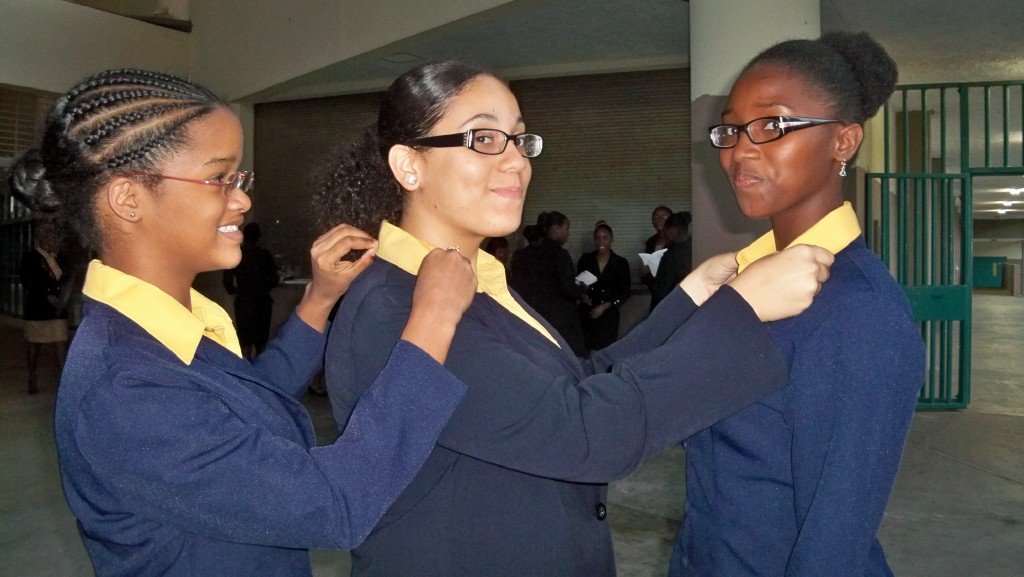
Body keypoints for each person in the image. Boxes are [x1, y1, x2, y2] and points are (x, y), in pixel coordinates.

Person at [313, 59, 833, 577]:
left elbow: (578, 382)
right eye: (485, 139)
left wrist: (696, 298)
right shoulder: (396, 307)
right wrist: (741, 316)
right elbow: (585, 431)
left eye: (519, 139)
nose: (516, 161)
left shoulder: (477, 281)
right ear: (410, 165)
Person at [8, 68, 477, 577]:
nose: (242, 199)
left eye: (239, 178)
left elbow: (248, 403)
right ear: (128, 200)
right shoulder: (123, 385)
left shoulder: (165, 325)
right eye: (218, 178)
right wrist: (433, 318)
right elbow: (335, 502)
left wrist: (318, 300)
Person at [668, 32, 926, 577]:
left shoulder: (859, 312)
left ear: (844, 142)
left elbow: (833, 543)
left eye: (772, 125)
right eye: (733, 129)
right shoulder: (743, 281)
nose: (740, 149)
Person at [18, 216, 68, 394]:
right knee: (35, 344)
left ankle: (64, 380)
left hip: (57, 311)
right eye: (49, 238)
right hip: (38, 309)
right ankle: (32, 376)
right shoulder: (31, 257)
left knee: (61, 343)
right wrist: (47, 294)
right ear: (41, 238)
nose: (52, 241)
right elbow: (28, 281)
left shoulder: (59, 258)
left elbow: (65, 279)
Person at [222, 222, 279, 359]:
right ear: (258, 236)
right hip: (261, 301)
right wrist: (263, 288)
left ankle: (247, 367)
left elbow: (227, 280)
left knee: (245, 340)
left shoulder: (236, 254)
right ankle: (259, 371)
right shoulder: (264, 255)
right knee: (261, 340)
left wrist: (235, 291)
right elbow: (274, 278)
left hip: (243, 300)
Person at [576, 220, 631, 353]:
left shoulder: (620, 263)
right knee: (585, 349)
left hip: (608, 314)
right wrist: (582, 295)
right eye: (597, 238)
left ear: (611, 239)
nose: (601, 241)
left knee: (605, 350)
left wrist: (605, 306)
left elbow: (624, 291)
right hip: (587, 311)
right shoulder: (586, 259)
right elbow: (577, 283)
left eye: (604, 237)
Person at [648, 212, 693, 311]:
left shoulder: (671, 254)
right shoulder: (695, 248)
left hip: (669, 307)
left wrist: (646, 276)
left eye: (665, 232)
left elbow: (662, 289)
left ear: (672, 231)